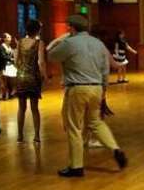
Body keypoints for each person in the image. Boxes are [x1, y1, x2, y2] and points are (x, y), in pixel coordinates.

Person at [47, 15, 127, 178]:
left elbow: (51, 55)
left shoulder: (69, 43)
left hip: (77, 88)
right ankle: (115, 149)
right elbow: (105, 69)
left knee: (74, 127)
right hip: (96, 88)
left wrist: (60, 39)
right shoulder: (98, 44)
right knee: (95, 122)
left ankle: (76, 166)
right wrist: (104, 88)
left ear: (71, 28)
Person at [15, 18, 46, 144]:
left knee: (21, 108)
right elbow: (41, 62)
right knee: (34, 108)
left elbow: (16, 60)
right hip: (33, 77)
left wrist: (21, 70)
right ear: (37, 30)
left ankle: (20, 136)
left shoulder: (20, 42)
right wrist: (44, 76)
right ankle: (37, 136)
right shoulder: (39, 43)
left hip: (21, 77)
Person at [0, 33, 16, 100]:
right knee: (5, 81)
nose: (10, 39)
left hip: (10, 65)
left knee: (10, 81)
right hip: (4, 66)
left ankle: (10, 93)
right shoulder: (2, 47)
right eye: (8, 37)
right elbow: (3, 56)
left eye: (10, 37)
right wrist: (11, 59)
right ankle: (4, 95)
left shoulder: (9, 47)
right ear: (4, 39)